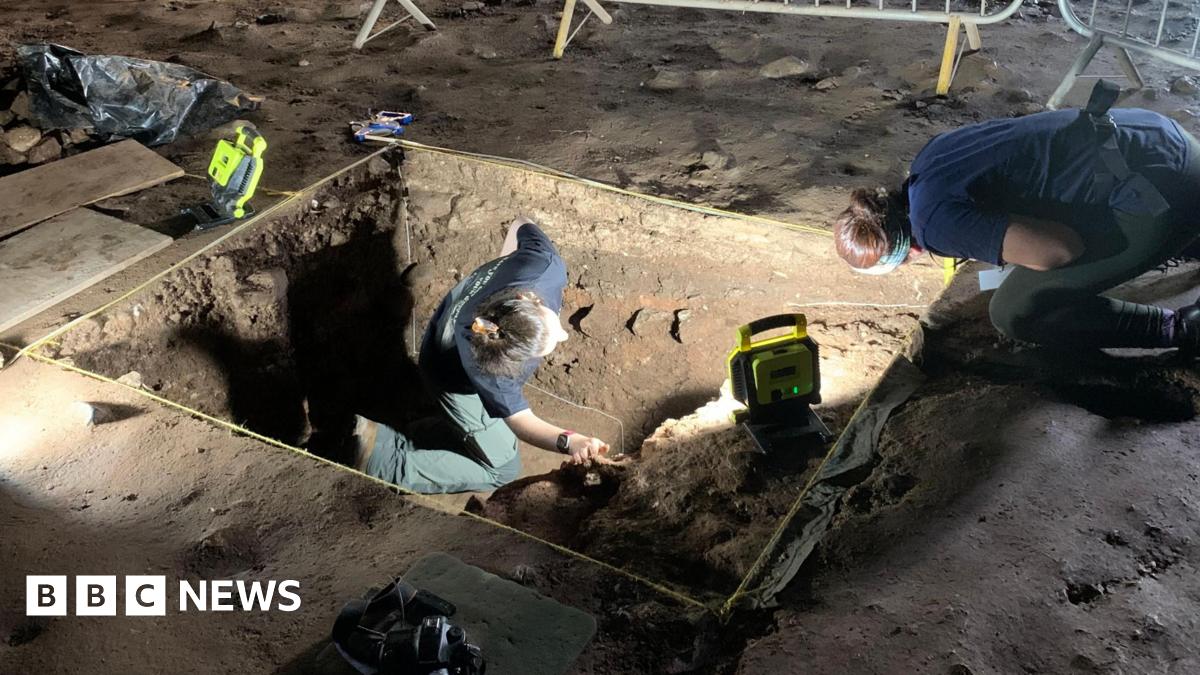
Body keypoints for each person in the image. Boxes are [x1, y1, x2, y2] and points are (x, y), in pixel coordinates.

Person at [832, 98, 1200, 351]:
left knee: (1013, 310)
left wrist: (1020, 256)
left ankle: (1182, 329)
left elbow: (1060, 250)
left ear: (906, 253)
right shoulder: (927, 161)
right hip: (1158, 138)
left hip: (1162, 192)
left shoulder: (933, 226)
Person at [352, 218, 611, 494]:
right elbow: (521, 422)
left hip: (442, 332)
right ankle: (381, 460)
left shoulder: (541, 264)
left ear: (526, 299)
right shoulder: (492, 370)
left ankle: (405, 434)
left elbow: (519, 224)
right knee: (503, 468)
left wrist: (504, 262)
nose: (564, 335)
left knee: (480, 431)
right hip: (446, 373)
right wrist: (570, 441)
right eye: (548, 342)